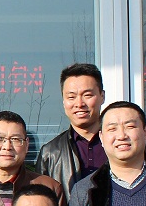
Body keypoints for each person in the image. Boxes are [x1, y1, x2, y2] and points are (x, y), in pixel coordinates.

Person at [38, 63, 108, 192]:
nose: (79, 104)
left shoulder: (120, 144)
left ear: (102, 96)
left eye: (87, 95)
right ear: (64, 102)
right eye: (71, 97)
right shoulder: (50, 153)